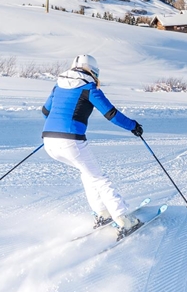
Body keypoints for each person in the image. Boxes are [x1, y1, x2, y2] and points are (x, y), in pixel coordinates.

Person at [42, 54, 144, 230]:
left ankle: (103, 213)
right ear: (93, 72)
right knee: (99, 179)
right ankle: (122, 218)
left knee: (88, 174)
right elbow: (111, 114)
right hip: (70, 142)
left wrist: (58, 128)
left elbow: (45, 111)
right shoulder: (89, 88)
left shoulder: (57, 85)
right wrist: (133, 126)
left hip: (49, 141)